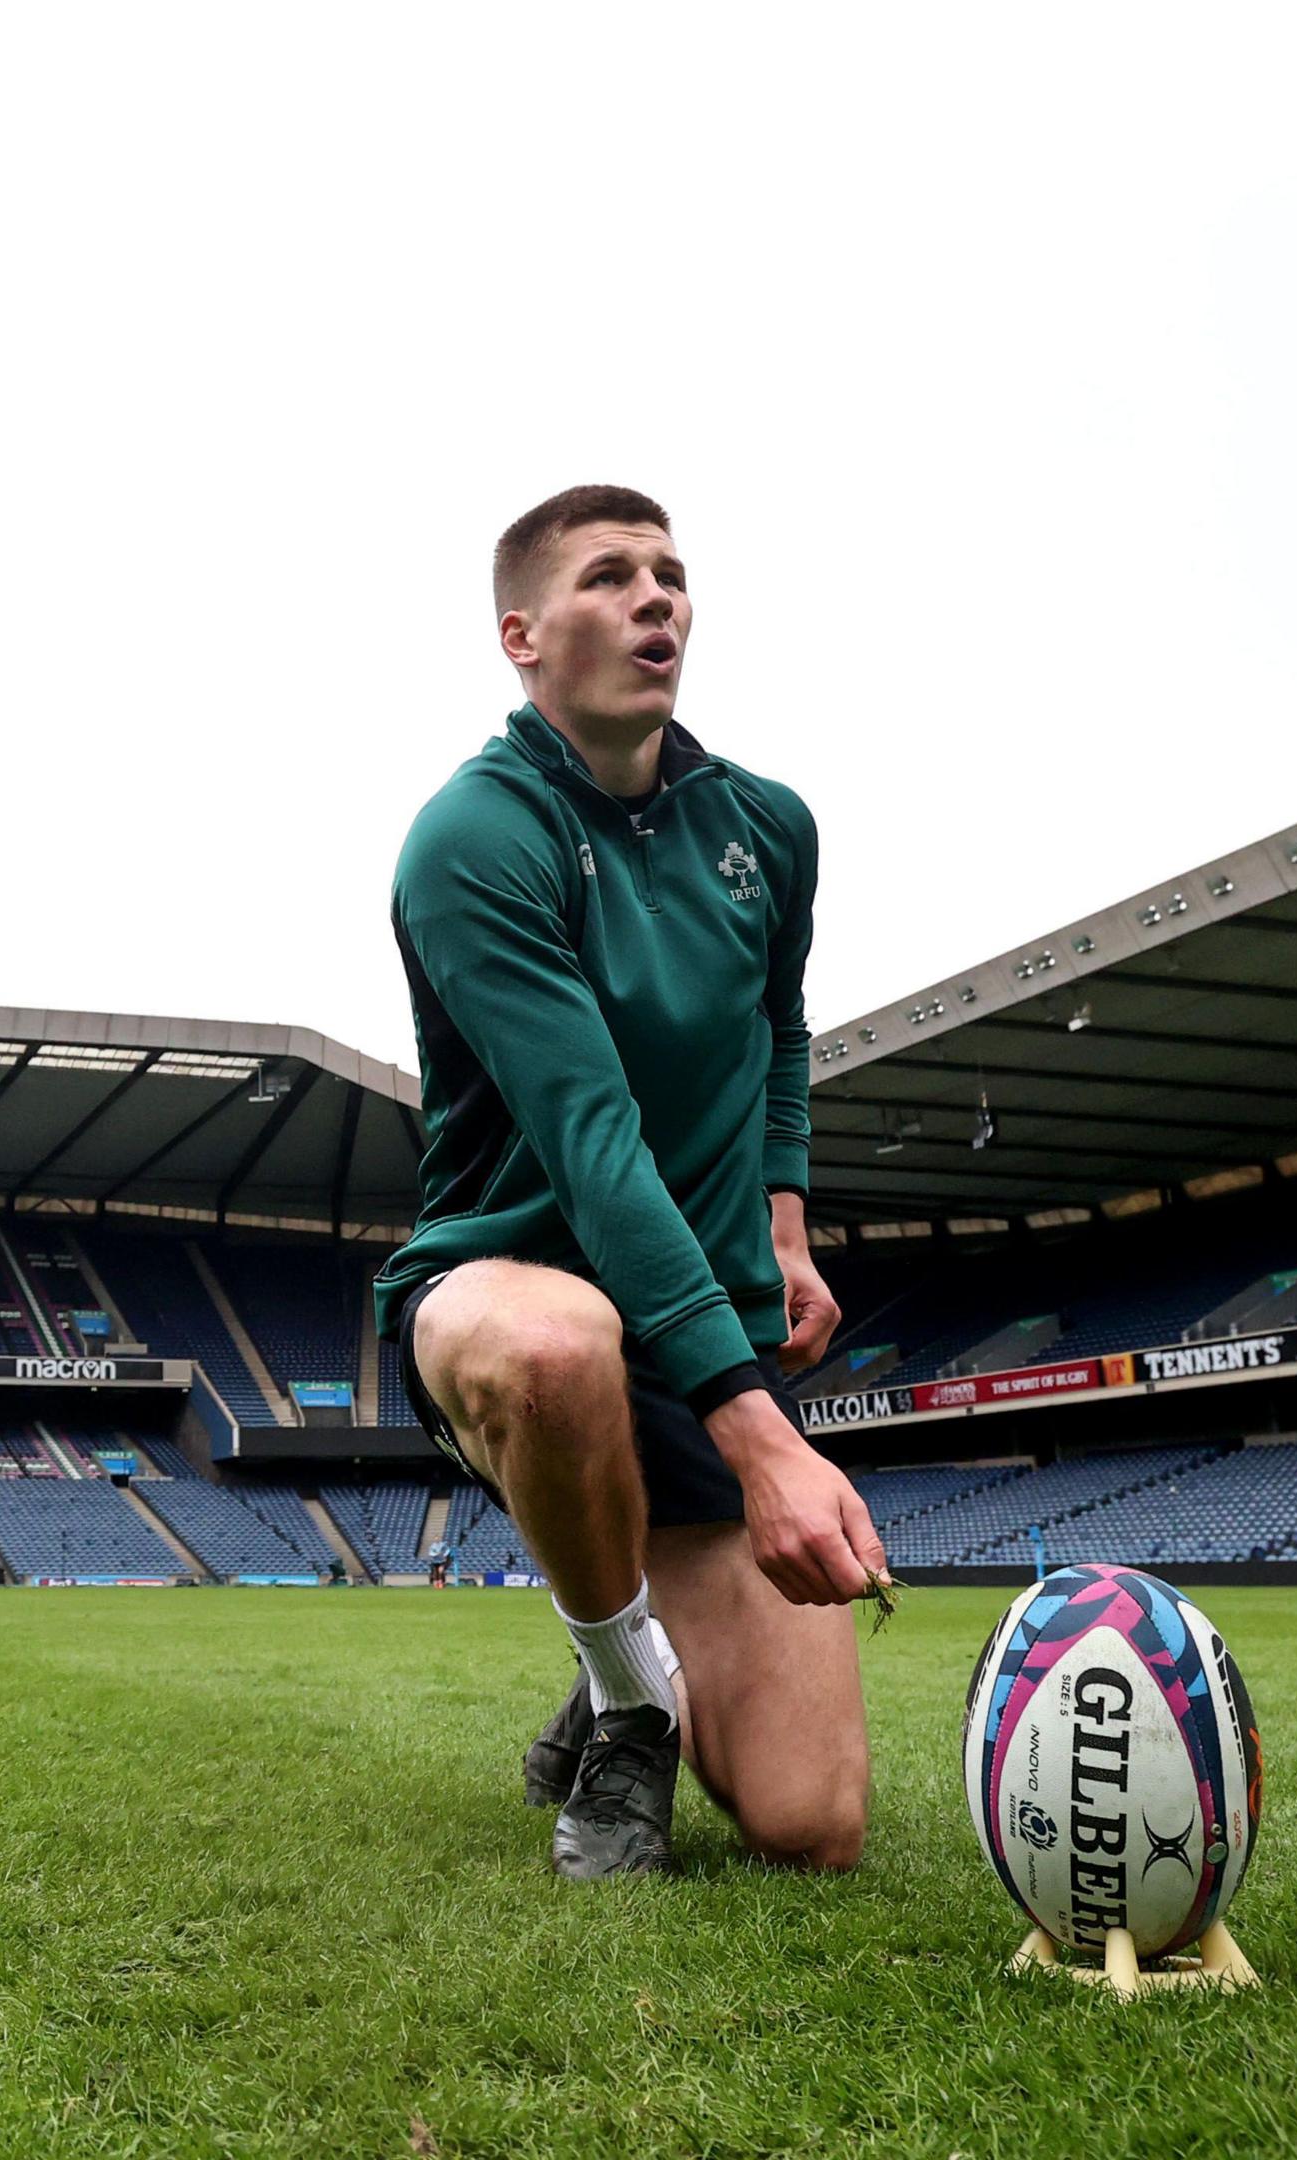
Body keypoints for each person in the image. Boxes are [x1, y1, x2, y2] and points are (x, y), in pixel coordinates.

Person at [373, 485, 885, 1881]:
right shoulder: (475, 838)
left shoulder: (768, 829)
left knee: (810, 1826)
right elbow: (592, 1144)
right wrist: (770, 1446)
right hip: (505, 1282)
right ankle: (629, 1688)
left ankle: (630, 1610)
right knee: (558, 1343)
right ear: (522, 636)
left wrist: (783, 1218)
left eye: (670, 573)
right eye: (611, 577)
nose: (657, 596)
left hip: (699, 1314)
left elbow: (777, 1026)